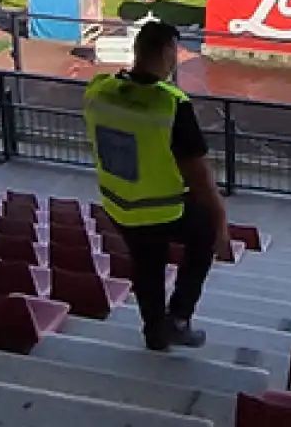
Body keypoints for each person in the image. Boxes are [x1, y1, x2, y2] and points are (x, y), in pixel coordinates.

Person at [81, 21, 225, 351]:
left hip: (118, 202)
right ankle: (178, 318)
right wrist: (221, 220)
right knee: (204, 234)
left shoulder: (99, 90)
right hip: (161, 207)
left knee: (146, 266)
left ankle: (155, 333)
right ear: (166, 52)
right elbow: (198, 175)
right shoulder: (172, 104)